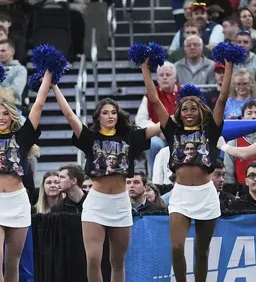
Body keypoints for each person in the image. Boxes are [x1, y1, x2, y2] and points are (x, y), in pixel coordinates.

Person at [52, 81, 160, 282]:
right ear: (98, 116)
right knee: (93, 258)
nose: (110, 116)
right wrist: (55, 86)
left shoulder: (130, 136)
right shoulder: (90, 137)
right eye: (105, 112)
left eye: (113, 112)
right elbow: (69, 115)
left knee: (117, 261)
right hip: (96, 204)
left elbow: (161, 125)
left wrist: (181, 108)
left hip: (120, 204)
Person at [141, 56, 233, 282]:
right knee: (176, 247)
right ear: (179, 112)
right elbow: (154, 99)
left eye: (193, 108)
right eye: (184, 109)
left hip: (206, 195)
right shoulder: (172, 131)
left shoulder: (211, 130)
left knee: (202, 252)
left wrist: (229, 66)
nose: (189, 112)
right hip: (181, 195)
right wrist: (145, 68)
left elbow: (222, 99)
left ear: (201, 110)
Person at [0, 71, 52, 282]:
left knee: (13, 262)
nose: (1, 118)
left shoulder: (22, 136)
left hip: (17, 202)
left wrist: (49, 76)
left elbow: (38, 106)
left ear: (12, 116)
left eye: (5, 114)